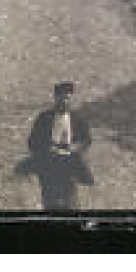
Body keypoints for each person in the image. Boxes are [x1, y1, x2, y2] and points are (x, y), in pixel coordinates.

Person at [23, 82, 94, 210]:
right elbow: (32, 142)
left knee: (70, 202)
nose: (64, 101)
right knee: (50, 202)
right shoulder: (44, 118)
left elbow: (86, 139)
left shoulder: (77, 118)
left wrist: (75, 147)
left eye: (67, 98)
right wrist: (46, 148)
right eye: (61, 98)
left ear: (71, 99)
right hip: (49, 163)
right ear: (55, 98)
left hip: (69, 163)